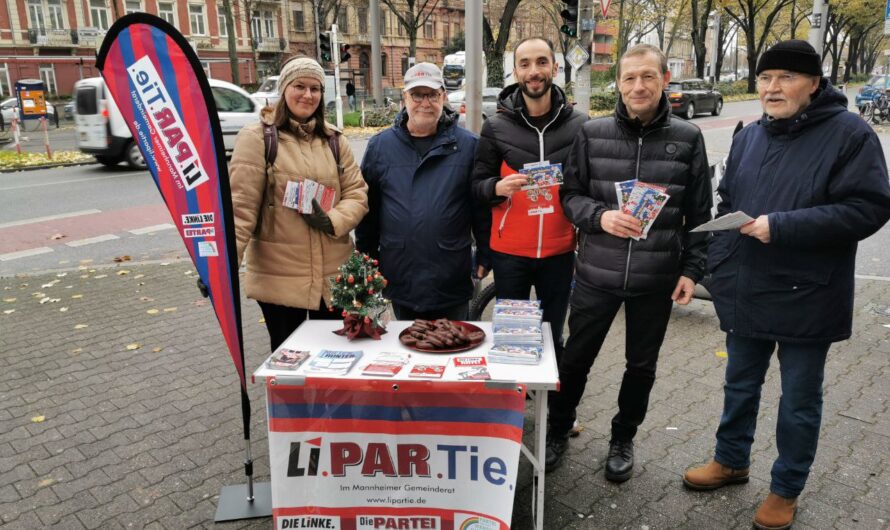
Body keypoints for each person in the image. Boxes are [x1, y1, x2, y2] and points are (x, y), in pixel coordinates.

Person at [682, 40, 890, 530]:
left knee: (798, 399)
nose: (772, 88)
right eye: (765, 78)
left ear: (814, 84)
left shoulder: (850, 135)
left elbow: (870, 206)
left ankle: (786, 488)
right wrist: (717, 262)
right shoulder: (750, 135)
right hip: (746, 284)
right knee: (739, 383)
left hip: (808, 290)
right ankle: (731, 460)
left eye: (786, 78)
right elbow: (728, 197)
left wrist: (784, 226)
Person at [547, 43, 712, 479]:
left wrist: (692, 272)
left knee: (641, 367)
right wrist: (601, 216)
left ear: (664, 80)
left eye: (647, 77)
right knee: (575, 359)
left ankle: (624, 438)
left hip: (655, 279)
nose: (638, 86)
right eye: (629, 78)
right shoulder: (592, 133)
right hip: (597, 272)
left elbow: (700, 215)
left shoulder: (688, 138)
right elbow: (570, 196)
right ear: (617, 83)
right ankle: (558, 428)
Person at [229, 57, 369, 351]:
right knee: (290, 359)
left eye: (315, 89)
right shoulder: (258, 138)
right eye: (299, 86)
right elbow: (240, 210)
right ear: (284, 89)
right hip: (280, 278)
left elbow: (357, 193)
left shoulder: (334, 140)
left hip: (333, 276)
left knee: (334, 358)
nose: (308, 95)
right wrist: (222, 266)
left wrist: (332, 220)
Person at [470, 37, 586, 359]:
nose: (533, 71)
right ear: (515, 72)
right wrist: (497, 188)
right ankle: (516, 396)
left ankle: (550, 404)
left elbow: (587, 189)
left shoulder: (580, 125)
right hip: (510, 254)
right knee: (513, 338)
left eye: (541, 62)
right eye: (525, 64)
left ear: (555, 67)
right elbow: (476, 185)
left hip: (560, 252)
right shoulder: (495, 127)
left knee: (552, 337)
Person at [355, 63, 489, 321]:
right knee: (408, 349)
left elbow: (480, 208)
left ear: (444, 97)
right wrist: (367, 261)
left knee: (453, 348)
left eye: (432, 94)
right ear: (404, 97)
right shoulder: (380, 147)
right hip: (401, 274)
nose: (425, 103)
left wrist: (485, 253)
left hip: (451, 274)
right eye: (417, 95)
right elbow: (367, 212)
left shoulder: (469, 146)